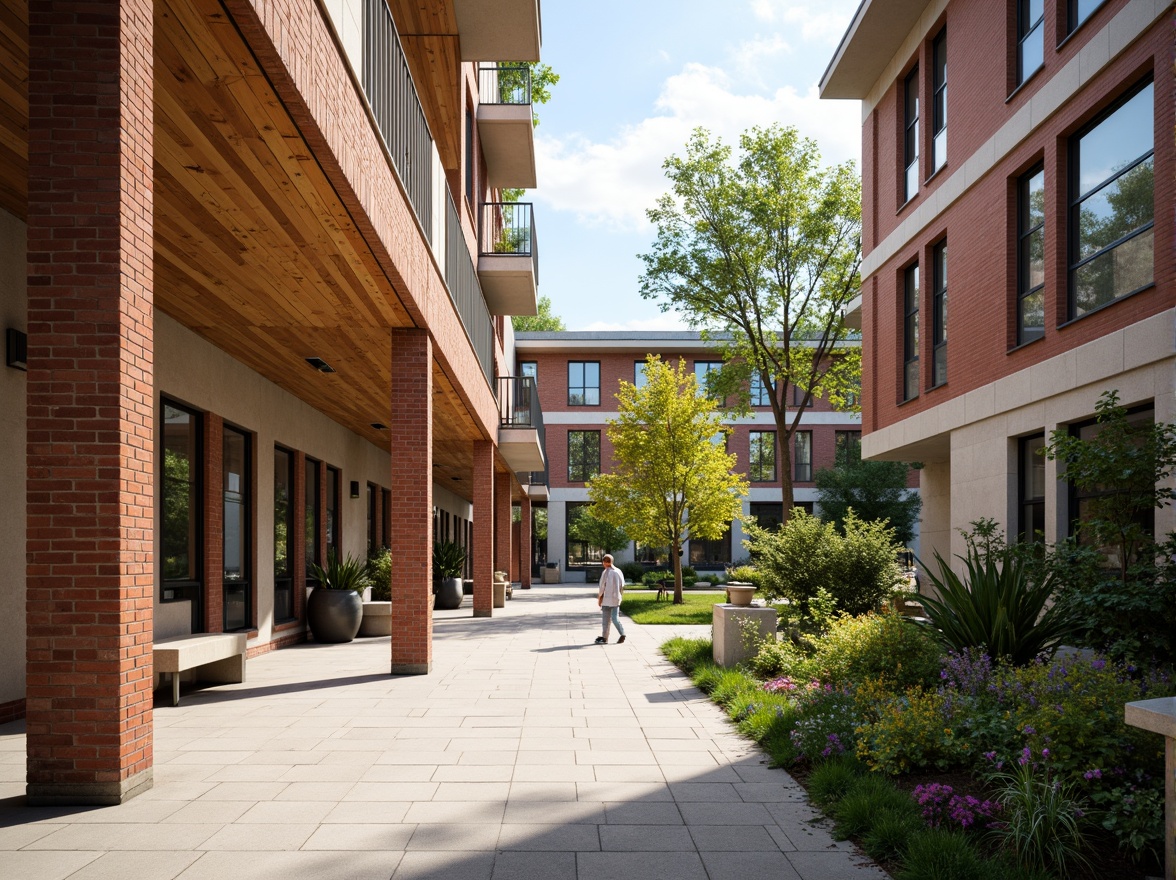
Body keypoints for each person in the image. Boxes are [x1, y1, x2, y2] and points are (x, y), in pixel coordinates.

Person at [595, 554, 626, 644]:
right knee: (615, 618)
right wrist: (620, 596)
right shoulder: (618, 571)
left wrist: (599, 597)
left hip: (606, 599)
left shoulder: (606, 572)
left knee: (605, 620)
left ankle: (605, 637)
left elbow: (602, 587)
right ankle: (622, 633)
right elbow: (622, 585)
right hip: (616, 599)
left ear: (604, 562)